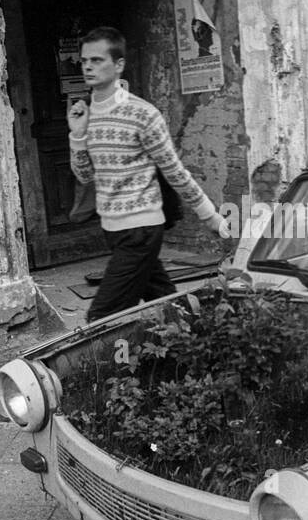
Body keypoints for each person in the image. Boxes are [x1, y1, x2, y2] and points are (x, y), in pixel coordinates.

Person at [68, 26, 227, 322]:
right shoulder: (87, 114)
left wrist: (210, 216)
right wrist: (77, 136)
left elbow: (175, 171)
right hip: (112, 228)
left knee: (102, 318)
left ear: (118, 65)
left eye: (97, 60)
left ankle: (106, 369)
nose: (88, 66)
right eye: (84, 60)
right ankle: (199, 343)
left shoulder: (143, 114)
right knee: (169, 305)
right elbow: (86, 176)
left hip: (140, 229)